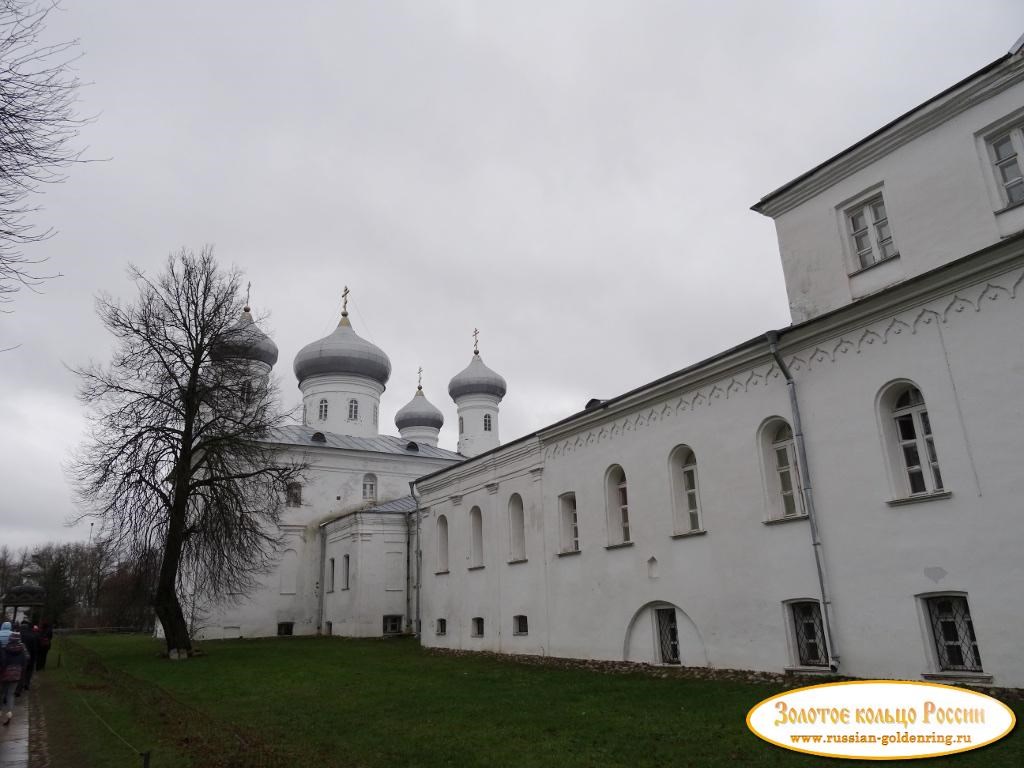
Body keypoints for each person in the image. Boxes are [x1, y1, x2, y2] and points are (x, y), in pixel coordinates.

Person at [0, 631, 26, 725]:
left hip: (5, 673)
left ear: (10, 639)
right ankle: (9, 713)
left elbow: (3, 661)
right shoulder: (22, 649)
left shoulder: (5, 649)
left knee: (2, 693)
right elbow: (24, 662)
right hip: (16, 673)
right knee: (11, 694)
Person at [15, 621, 35, 695]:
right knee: (26, 672)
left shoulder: (16, 635)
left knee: (18, 672)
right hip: (27, 656)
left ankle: (15, 688)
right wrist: (33, 659)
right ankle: (25, 684)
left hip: (16, 656)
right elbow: (34, 649)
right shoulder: (32, 636)